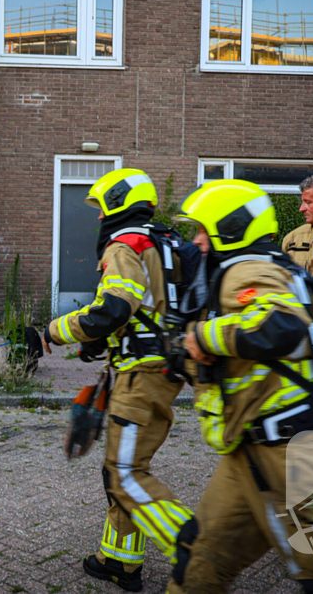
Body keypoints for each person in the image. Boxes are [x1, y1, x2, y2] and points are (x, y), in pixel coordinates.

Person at [167, 179, 313, 594]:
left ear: (229, 228)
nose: (196, 243)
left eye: (202, 230)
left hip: (293, 452)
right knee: (198, 556)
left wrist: (204, 337)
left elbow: (281, 326)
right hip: (249, 449)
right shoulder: (254, 268)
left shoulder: (250, 270)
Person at [43, 168, 193, 593]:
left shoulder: (126, 244)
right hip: (161, 368)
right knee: (122, 469)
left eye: (102, 208)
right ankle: (119, 561)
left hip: (141, 376)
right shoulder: (166, 242)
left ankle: (197, 547)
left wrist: (54, 332)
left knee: (125, 473)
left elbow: (113, 308)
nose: (98, 219)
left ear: (118, 204)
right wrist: (104, 342)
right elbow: (152, 306)